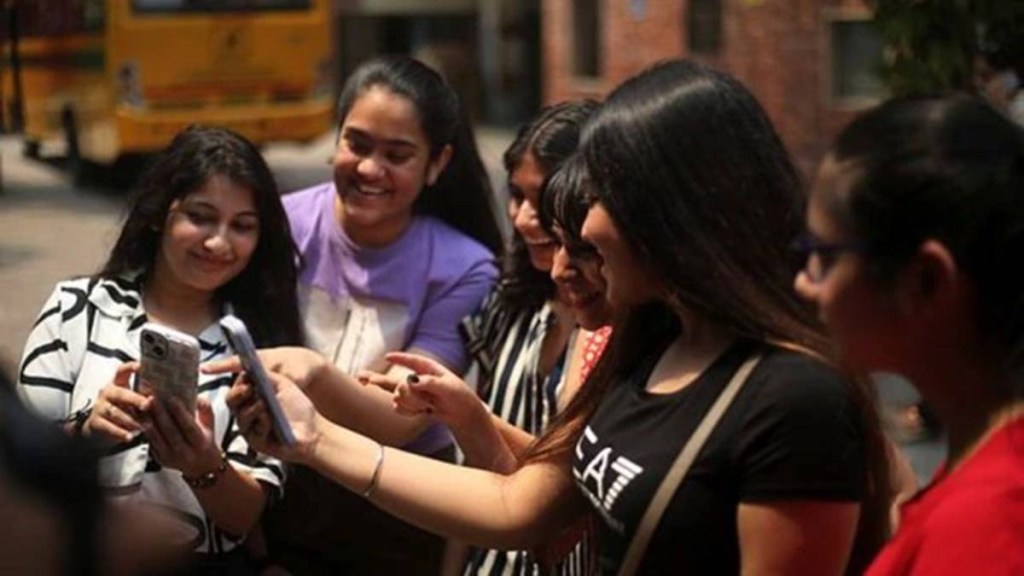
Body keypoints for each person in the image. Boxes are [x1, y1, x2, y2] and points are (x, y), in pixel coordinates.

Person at [223, 60, 891, 575]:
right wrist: (314, 438)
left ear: (678, 213)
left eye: (604, 197)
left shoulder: (793, 399)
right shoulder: (649, 343)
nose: (583, 227)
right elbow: (516, 507)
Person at [17, 125, 301, 574]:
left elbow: (244, 517)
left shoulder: (261, 348)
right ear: (158, 214)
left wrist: (204, 466)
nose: (218, 242)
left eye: (242, 226)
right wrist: (89, 428)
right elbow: (20, 476)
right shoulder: (76, 308)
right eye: (200, 216)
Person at [264, 55, 503, 575]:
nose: (371, 169)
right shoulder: (279, 226)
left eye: (397, 155)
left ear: (437, 163)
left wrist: (314, 372)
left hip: (402, 503)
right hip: (283, 486)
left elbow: (401, 419)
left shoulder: (466, 268)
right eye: (357, 144)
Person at [793, 94, 1024, 575]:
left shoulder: (986, 528)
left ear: (925, 281)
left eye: (825, 256)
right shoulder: (983, 465)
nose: (803, 281)